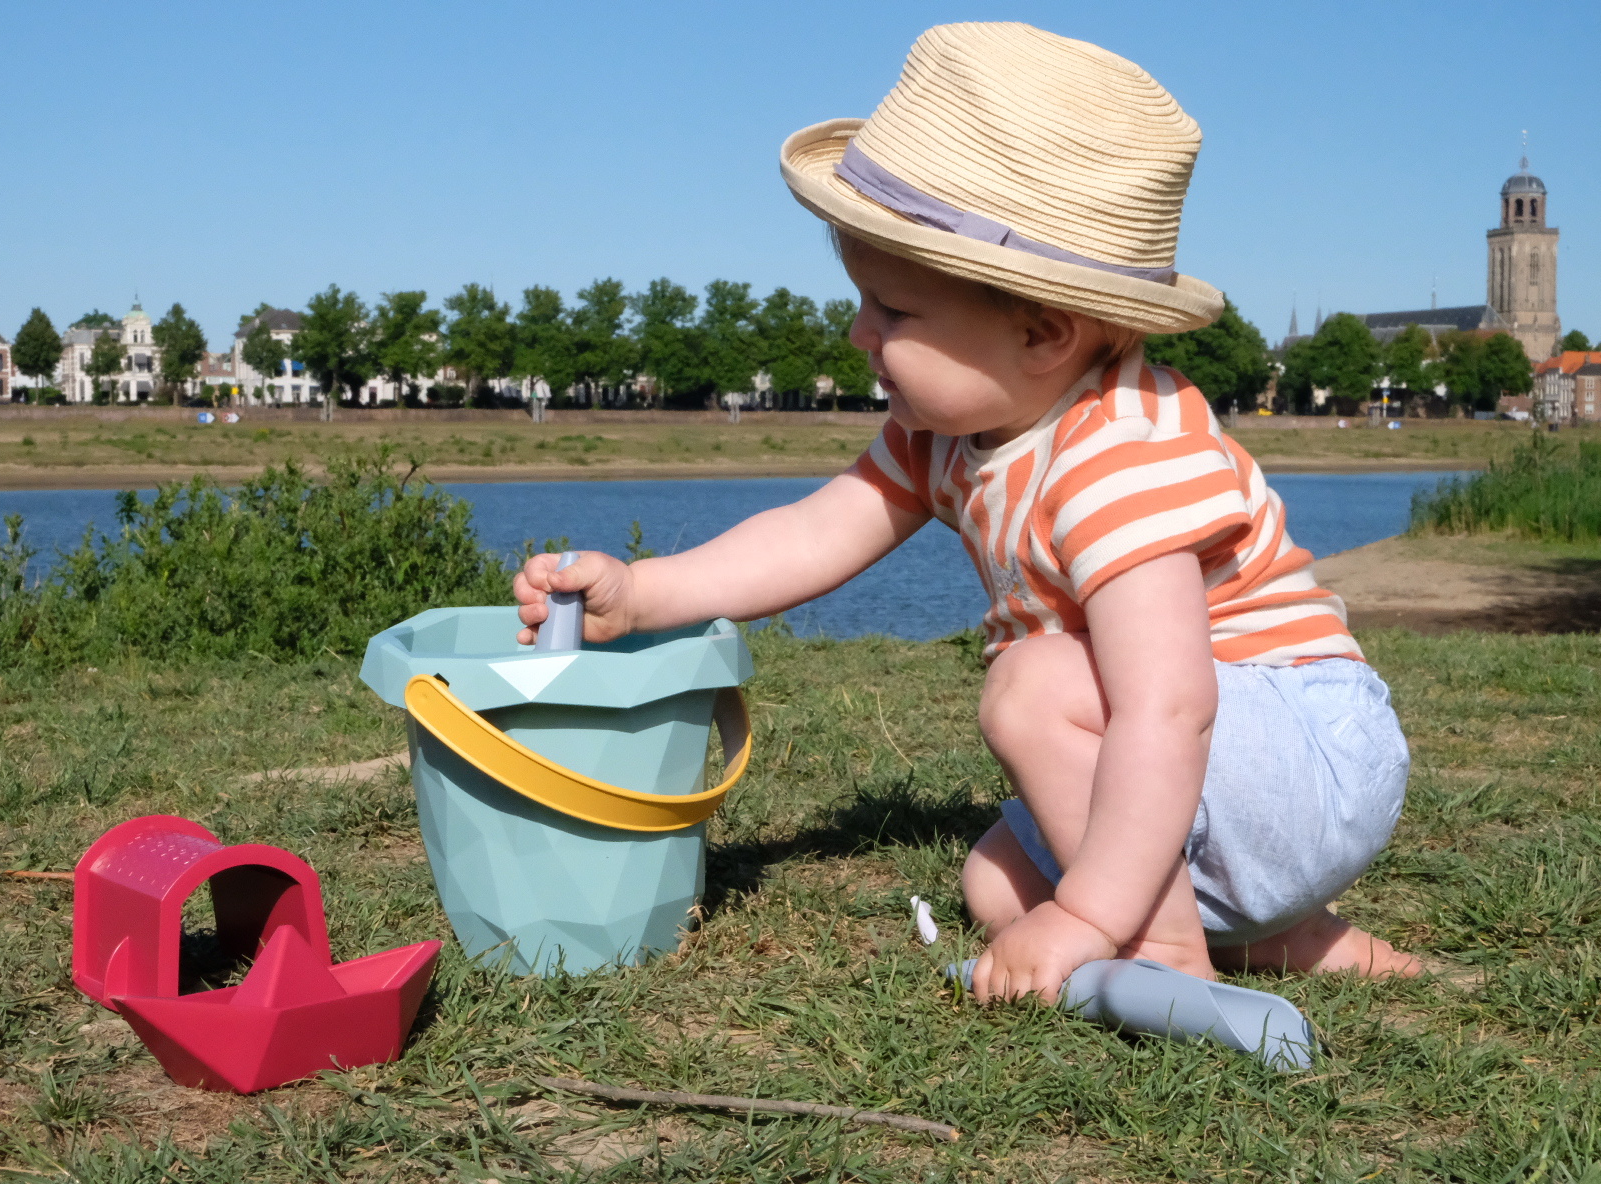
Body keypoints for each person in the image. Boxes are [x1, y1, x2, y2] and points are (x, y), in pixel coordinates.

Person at [514, 22, 1420, 1004]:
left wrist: (1095, 917)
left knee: (1030, 689)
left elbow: (1172, 701)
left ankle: (1168, 949)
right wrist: (643, 592)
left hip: (1301, 754)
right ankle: (1291, 935)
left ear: (1041, 330)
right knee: (996, 883)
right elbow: (819, 529)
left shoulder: (1123, 447)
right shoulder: (948, 435)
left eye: (893, 312)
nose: (860, 332)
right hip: (1218, 773)